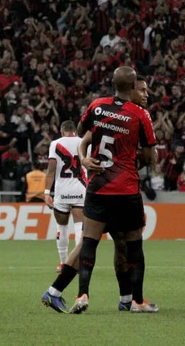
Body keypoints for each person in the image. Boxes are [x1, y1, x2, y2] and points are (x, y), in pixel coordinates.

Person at [42, 78, 157, 314]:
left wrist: (84, 158)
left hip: (101, 187)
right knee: (116, 243)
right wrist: (84, 159)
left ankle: (119, 298)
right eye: (142, 89)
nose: (147, 94)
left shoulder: (104, 110)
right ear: (130, 89)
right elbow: (148, 156)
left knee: (113, 243)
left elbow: (84, 140)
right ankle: (129, 299)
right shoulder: (135, 115)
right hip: (118, 188)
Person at [44, 120, 85, 272]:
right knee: (80, 225)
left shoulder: (55, 144)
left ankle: (63, 263)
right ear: (75, 131)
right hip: (81, 189)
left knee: (62, 225)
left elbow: (51, 170)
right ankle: (78, 262)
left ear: (62, 131)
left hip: (62, 191)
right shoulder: (83, 142)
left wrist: (47, 192)